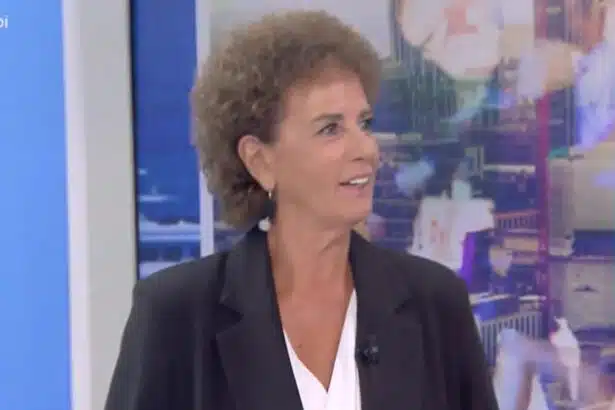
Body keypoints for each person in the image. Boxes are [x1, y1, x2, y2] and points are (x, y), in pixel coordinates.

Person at [105, 10, 497, 410]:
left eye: (364, 123)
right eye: (330, 129)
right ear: (260, 161)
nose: (366, 148)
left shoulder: (434, 302)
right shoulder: (177, 313)